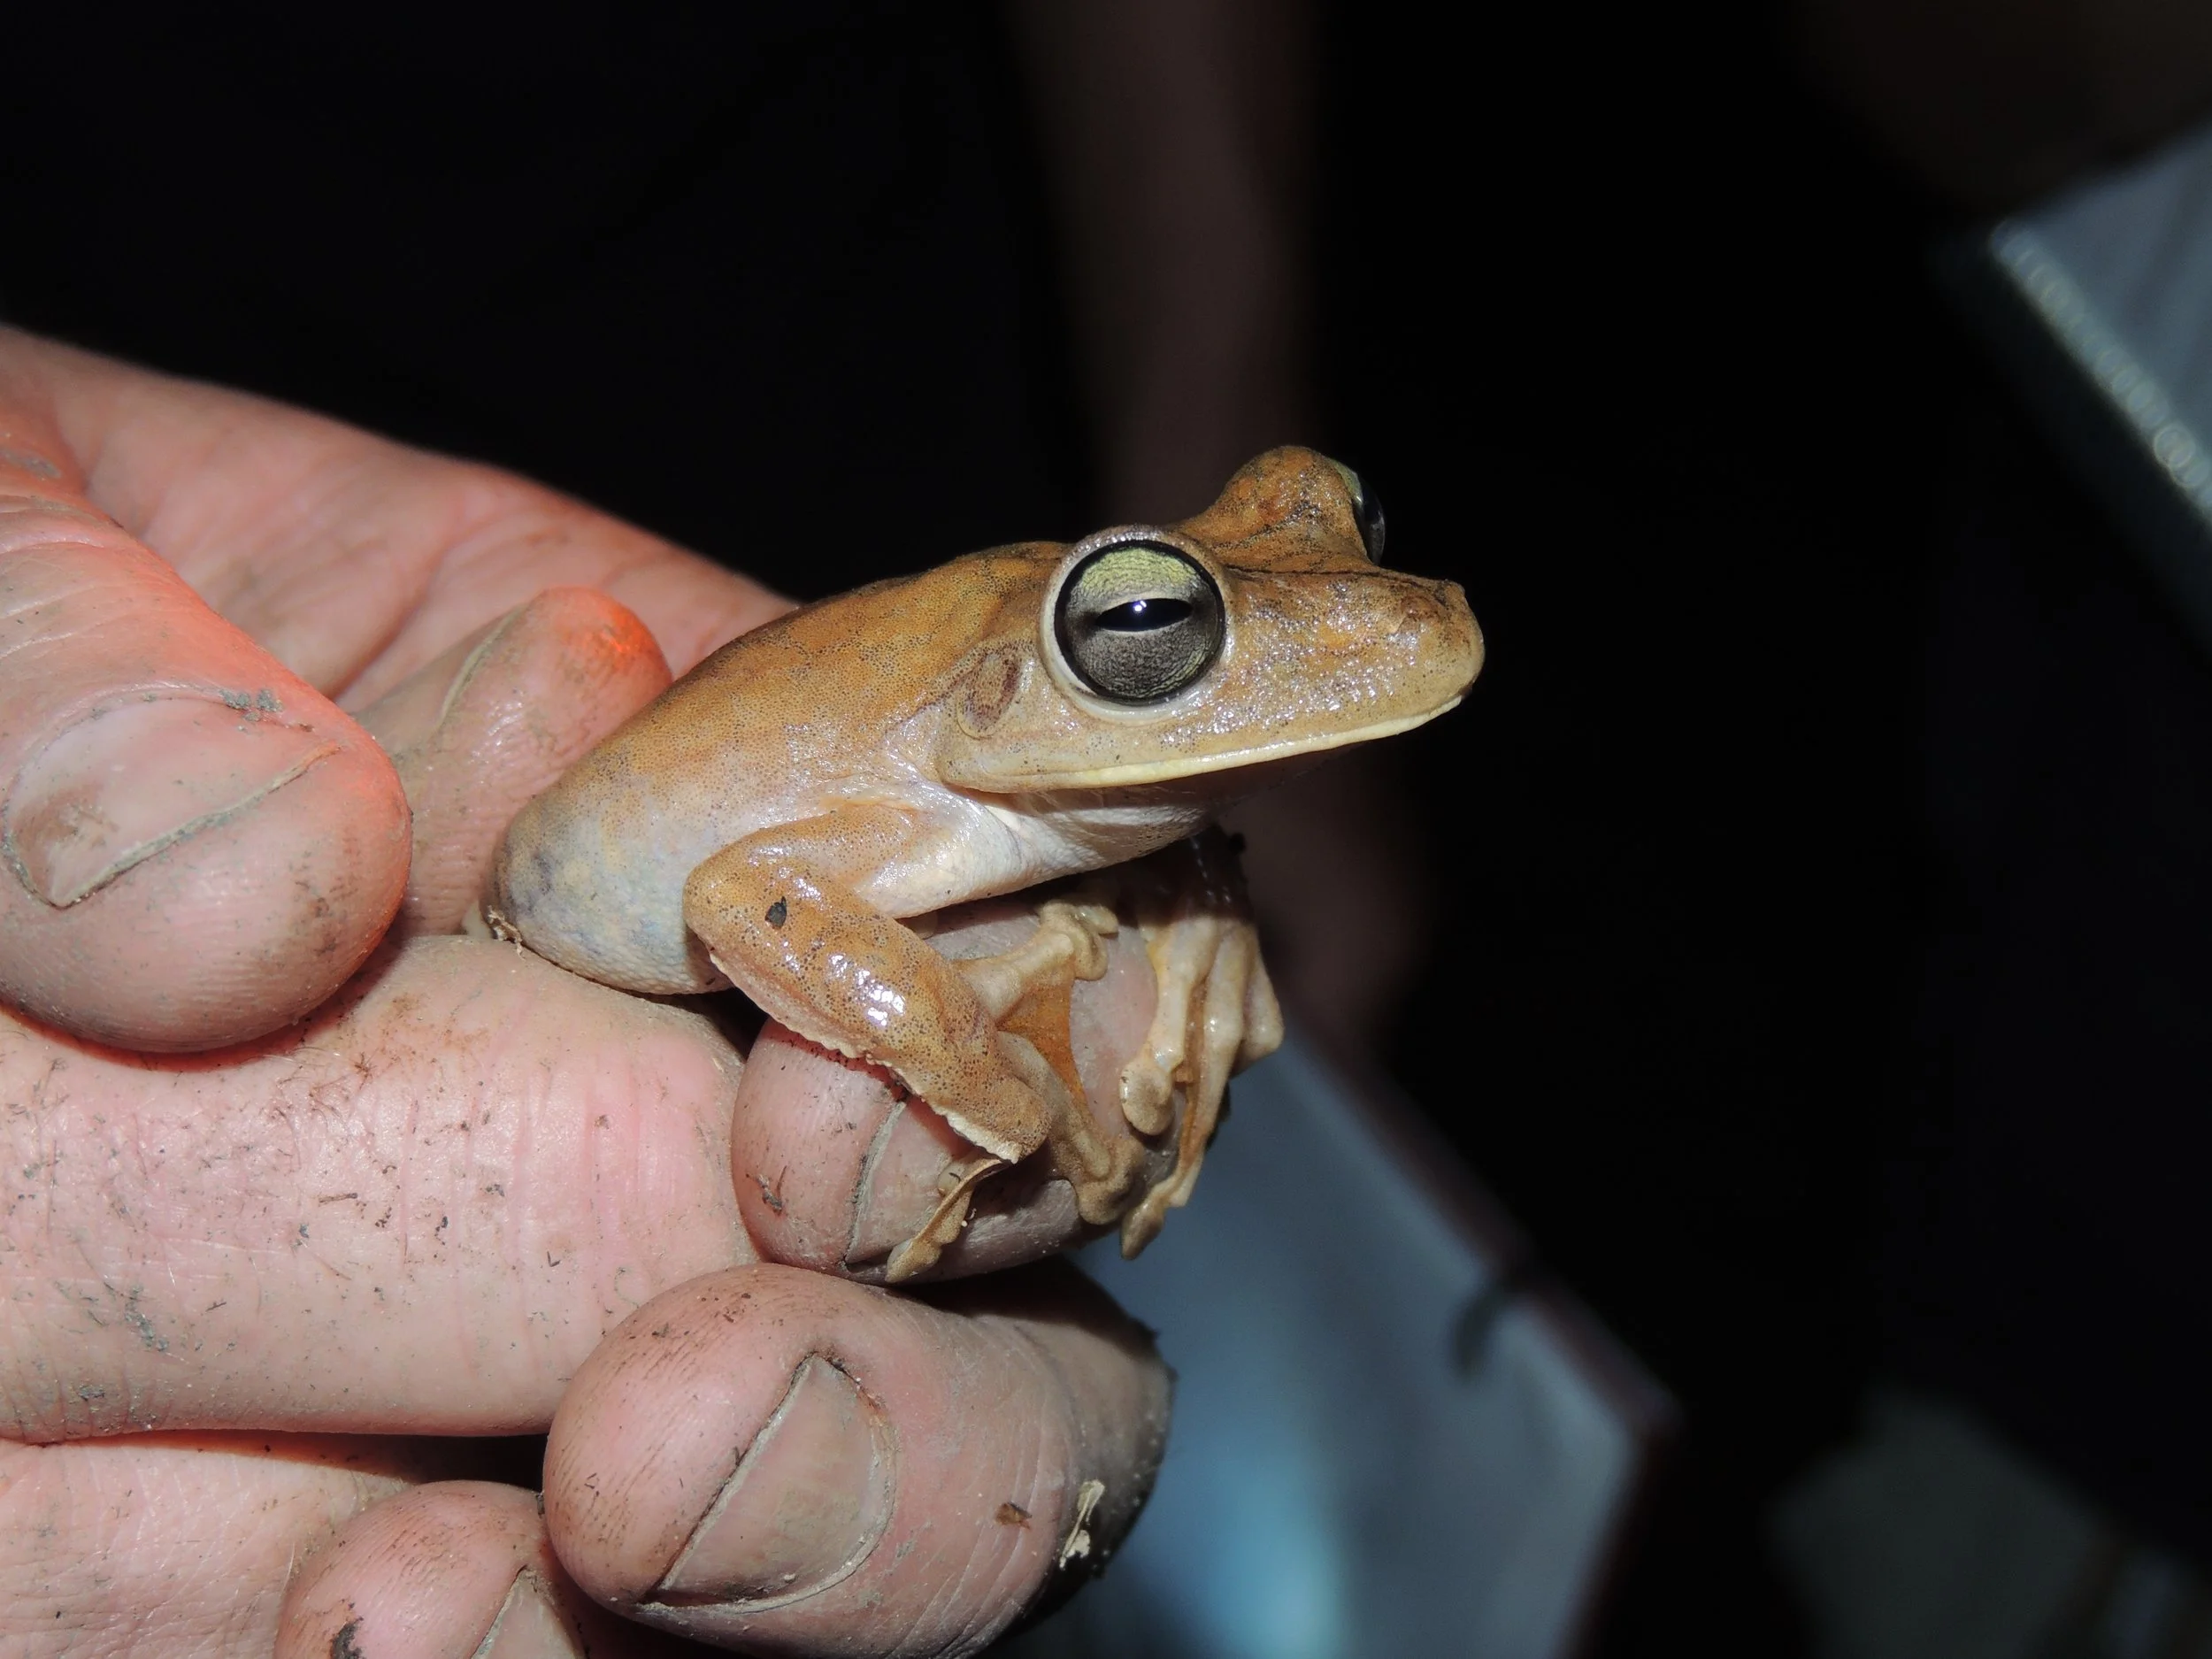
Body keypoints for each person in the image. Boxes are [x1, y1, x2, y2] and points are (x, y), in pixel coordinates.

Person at [0, 4, 1373, 1653]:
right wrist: (973, 1064)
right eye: (1151, 631)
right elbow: (748, 892)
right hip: (540, 830)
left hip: (850, 314)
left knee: (741, 1384)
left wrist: (1200, 885)